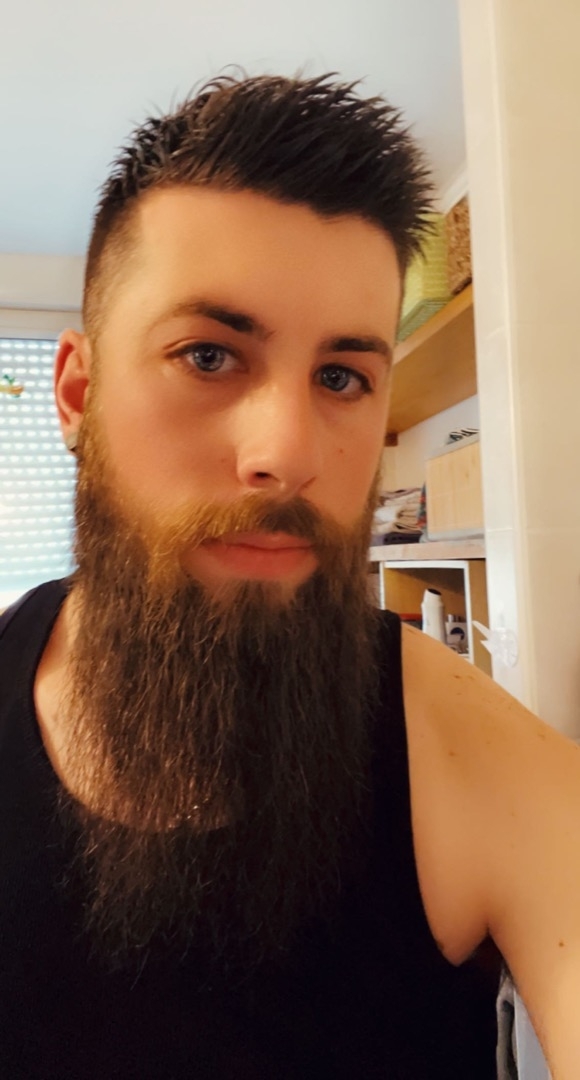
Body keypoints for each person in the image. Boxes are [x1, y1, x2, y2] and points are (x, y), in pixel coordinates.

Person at [1, 72, 579, 1080]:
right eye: (208, 356)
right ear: (78, 394)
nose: (289, 454)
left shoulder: (479, 765)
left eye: (342, 377)